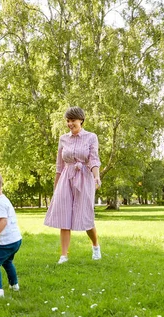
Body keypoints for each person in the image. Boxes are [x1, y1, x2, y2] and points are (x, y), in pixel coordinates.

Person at [44, 106, 102, 264]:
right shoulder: (63, 139)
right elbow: (59, 165)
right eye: (68, 121)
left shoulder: (91, 137)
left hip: (84, 177)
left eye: (73, 120)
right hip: (66, 178)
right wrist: (56, 188)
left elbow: (94, 160)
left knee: (86, 216)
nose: (70, 123)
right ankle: (64, 255)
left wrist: (97, 177)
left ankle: (95, 245)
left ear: (81, 120)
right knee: (64, 217)